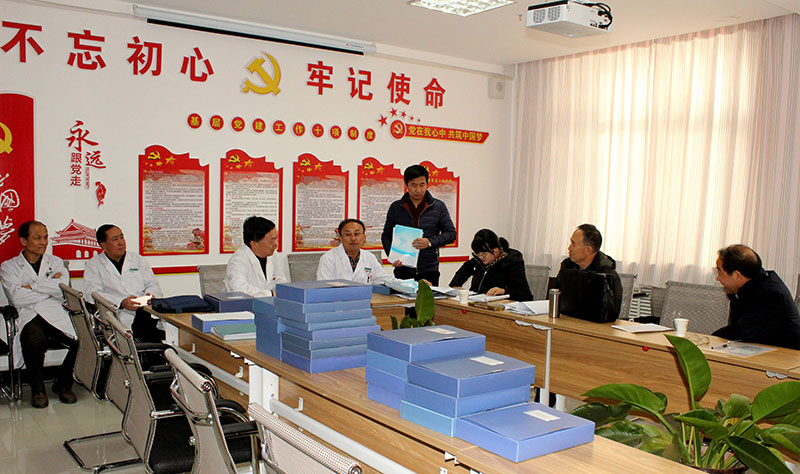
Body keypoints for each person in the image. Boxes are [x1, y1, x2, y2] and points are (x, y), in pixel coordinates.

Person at [0, 221, 78, 408]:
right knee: (34, 339)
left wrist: (31, 287)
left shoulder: (56, 262)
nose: (43, 242)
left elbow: (62, 289)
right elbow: (17, 297)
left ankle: (63, 384)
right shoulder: (9, 267)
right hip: (28, 314)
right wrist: (48, 288)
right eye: (37, 238)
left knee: (82, 339)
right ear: (24, 241)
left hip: (54, 311)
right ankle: (38, 390)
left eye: (45, 237)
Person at [84, 224, 164, 343]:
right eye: (115, 239)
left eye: (122, 237)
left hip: (144, 311)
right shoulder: (93, 265)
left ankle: (153, 350)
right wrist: (121, 302)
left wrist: (150, 295)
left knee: (153, 327)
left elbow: (152, 283)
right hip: (117, 314)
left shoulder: (137, 259)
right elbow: (92, 294)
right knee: (142, 332)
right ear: (103, 245)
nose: (121, 242)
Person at [712, 244, 800, 349]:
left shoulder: (772, 295)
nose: (718, 278)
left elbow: (740, 331)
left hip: (785, 355)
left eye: (720, 272)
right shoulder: (750, 285)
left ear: (737, 275)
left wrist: (709, 340)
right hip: (759, 348)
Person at [381, 164, 456, 286]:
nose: (418, 190)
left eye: (422, 185)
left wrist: (429, 242)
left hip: (429, 269)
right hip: (403, 269)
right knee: (404, 299)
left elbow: (451, 234)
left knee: (427, 299)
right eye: (414, 185)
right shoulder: (396, 207)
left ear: (427, 184)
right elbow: (386, 235)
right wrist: (392, 256)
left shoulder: (438, 207)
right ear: (406, 185)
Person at [557, 224, 623, 317]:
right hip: (566, 320)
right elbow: (554, 298)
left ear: (588, 249)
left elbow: (611, 313)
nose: (569, 248)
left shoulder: (607, 275)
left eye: (573, 244)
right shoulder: (567, 266)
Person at [449, 229, 533, 301]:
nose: (481, 258)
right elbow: (463, 271)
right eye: (477, 254)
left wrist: (504, 291)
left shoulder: (512, 263)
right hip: (476, 303)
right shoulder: (478, 260)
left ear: (495, 250)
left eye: (484, 255)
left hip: (499, 308)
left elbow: (525, 294)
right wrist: (456, 286)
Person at [224, 216, 289, 297]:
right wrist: (270, 294)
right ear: (254, 244)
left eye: (276, 239)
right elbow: (238, 288)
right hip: (244, 303)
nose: (276, 244)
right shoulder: (238, 260)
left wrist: (282, 292)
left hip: (269, 302)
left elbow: (281, 280)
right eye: (271, 240)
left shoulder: (272, 255)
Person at [317, 219, 391, 284]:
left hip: (365, 295)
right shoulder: (329, 258)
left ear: (364, 237)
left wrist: (398, 284)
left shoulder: (370, 257)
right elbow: (324, 286)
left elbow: (384, 279)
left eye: (357, 234)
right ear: (340, 237)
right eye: (348, 234)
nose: (353, 238)